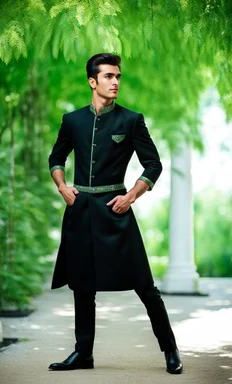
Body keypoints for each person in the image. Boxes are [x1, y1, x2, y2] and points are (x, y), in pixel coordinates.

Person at [48, 53, 183, 374]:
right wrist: (63, 188)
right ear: (92, 81)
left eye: (118, 77)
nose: (116, 82)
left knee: (145, 286)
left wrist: (132, 195)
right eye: (109, 76)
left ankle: (171, 350)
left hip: (116, 210)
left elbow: (154, 164)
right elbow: (56, 158)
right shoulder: (72, 120)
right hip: (80, 211)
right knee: (82, 285)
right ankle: (83, 354)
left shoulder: (131, 120)